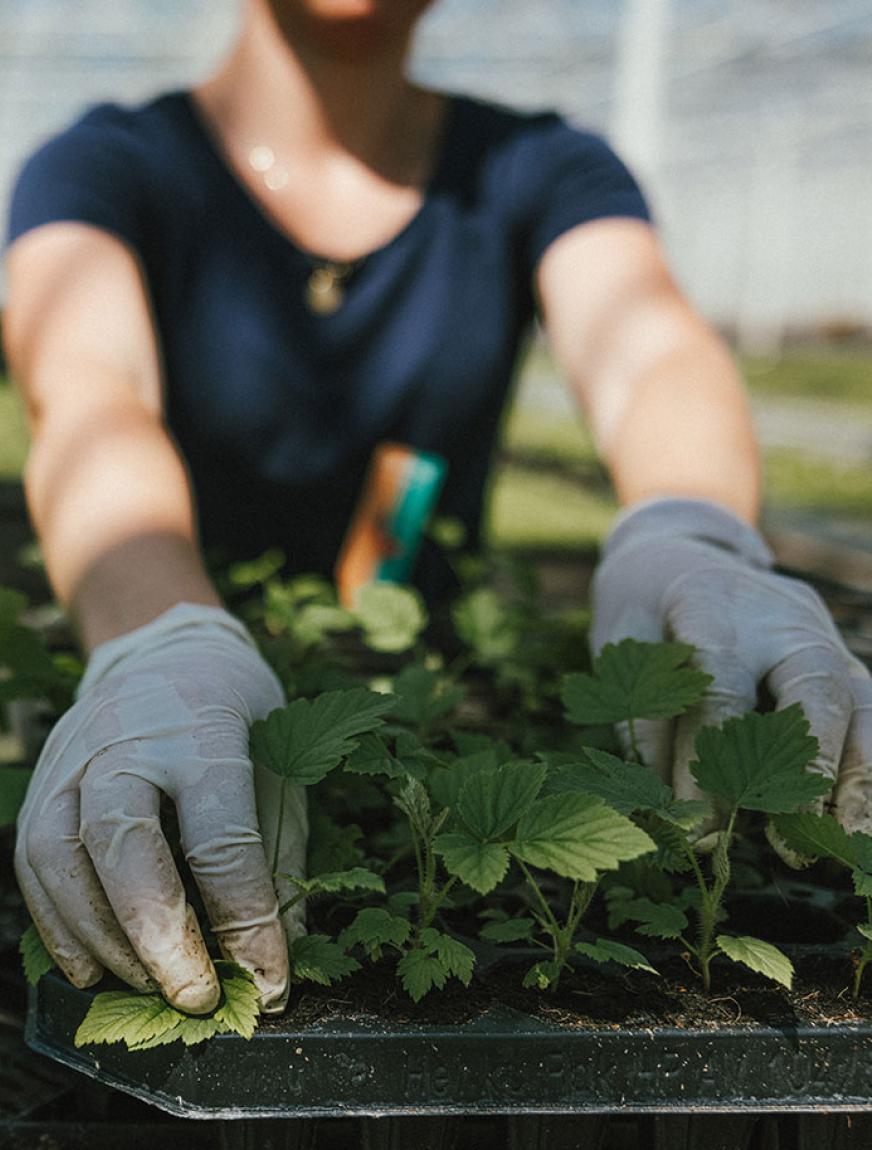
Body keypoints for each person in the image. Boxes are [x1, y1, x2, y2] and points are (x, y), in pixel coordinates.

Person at [4, 0, 871, 1018]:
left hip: (426, 706)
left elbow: (647, 353)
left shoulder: (533, 166)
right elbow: (93, 401)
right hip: (173, 724)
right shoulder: (107, 165)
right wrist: (156, 636)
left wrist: (691, 526)